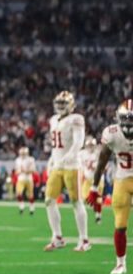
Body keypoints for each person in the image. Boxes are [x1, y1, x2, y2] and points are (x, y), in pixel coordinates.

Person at [88, 99, 133, 274]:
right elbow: (102, 161)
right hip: (122, 180)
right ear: (118, 118)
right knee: (120, 224)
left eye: (132, 119)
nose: (129, 123)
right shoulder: (112, 133)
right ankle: (120, 263)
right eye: (126, 118)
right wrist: (93, 187)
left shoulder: (111, 132)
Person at [43, 91, 89, 252]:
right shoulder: (53, 120)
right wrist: (52, 160)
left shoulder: (76, 119)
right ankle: (57, 237)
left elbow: (78, 143)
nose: (61, 107)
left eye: (63, 104)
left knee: (76, 202)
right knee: (49, 200)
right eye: (59, 104)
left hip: (72, 166)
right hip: (57, 165)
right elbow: (55, 146)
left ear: (71, 105)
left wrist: (67, 158)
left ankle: (84, 239)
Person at [78, 137, 104, 225]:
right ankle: (96, 209)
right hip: (87, 178)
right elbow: (80, 166)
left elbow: (103, 165)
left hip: (98, 179)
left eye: (92, 145)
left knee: (99, 198)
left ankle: (98, 215)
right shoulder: (81, 154)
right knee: (85, 197)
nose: (90, 147)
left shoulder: (98, 153)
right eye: (89, 145)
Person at [15, 146, 37, 215]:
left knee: (30, 195)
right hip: (21, 179)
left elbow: (33, 170)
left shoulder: (31, 159)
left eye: (24, 153)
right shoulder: (17, 160)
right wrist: (19, 171)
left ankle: (31, 207)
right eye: (21, 153)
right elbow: (16, 171)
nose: (22, 155)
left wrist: (26, 171)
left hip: (29, 179)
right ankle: (22, 206)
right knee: (18, 193)